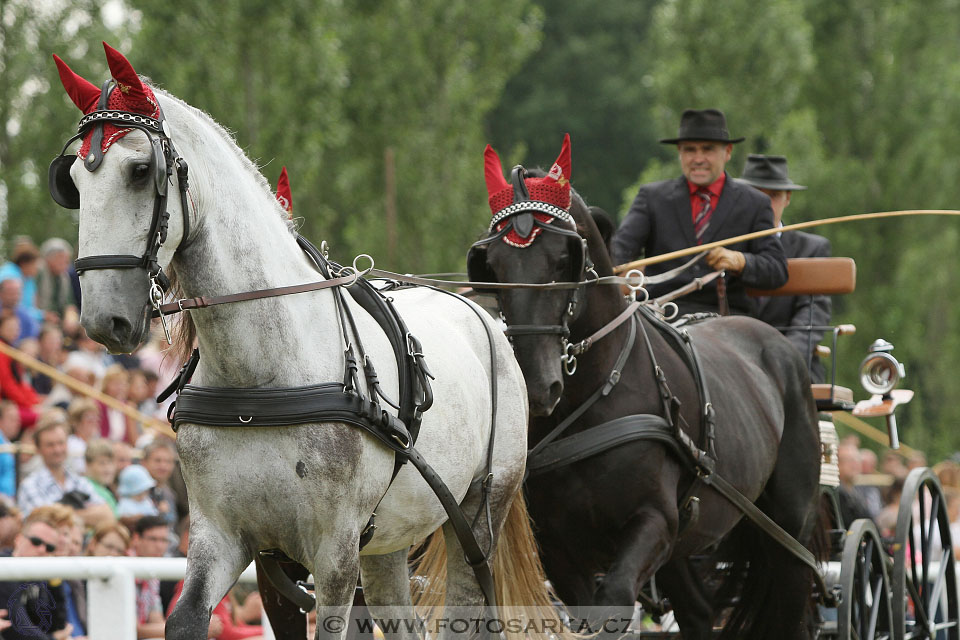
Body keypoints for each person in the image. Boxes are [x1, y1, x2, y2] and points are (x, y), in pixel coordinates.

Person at [611, 108, 788, 316]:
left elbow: (777, 270)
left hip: (727, 319)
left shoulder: (755, 203)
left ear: (728, 152)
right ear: (679, 152)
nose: (698, 158)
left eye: (708, 149)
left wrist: (741, 261)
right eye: (690, 150)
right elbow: (618, 252)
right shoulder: (652, 198)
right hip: (660, 315)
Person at [739, 154, 832, 382]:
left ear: (787, 198)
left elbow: (811, 314)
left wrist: (781, 361)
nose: (764, 205)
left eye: (773, 196)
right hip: (731, 363)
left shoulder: (810, 248)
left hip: (791, 370)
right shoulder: (726, 250)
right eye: (756, 195)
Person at [16, 410, 114, 528]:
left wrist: (60, 515)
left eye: (61, 443)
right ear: (38, 449)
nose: (57, 449)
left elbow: (108, 516)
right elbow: (43, 524)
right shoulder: (30, 485)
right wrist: (86, 516)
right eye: (50, 445)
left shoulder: (79, 481)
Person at [0, 507, 74, 639]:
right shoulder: (4, 567)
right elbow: (17, 627)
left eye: (49, 548)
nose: (41, 550)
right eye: (36, 542)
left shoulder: (38, 578)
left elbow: (56, 624)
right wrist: (53, 638)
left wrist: (55, 580)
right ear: (18, 539)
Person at [130, 515, 172, 639]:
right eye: (153, 539)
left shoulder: (152, 572)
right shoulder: (125, 567)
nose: (160, 546)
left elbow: (156, 619)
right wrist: (188, 631)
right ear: (136, 539)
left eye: (164, 540)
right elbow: (134, 629)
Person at [34, 238, 79, 333]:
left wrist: (71, 316)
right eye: (62, 260)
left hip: (58, 321)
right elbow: (32, 302)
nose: (66, 265)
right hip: (40, 320)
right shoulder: (37, 273)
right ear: (49, 258)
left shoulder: (64, 276)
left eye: (67, 261)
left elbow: (69, 303)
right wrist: (46, 315)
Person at [140, 439, 180, 527]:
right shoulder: (137, 492)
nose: (163, 466)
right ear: (144, 463)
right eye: (158, 460)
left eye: (168, 461)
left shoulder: (170, 494)